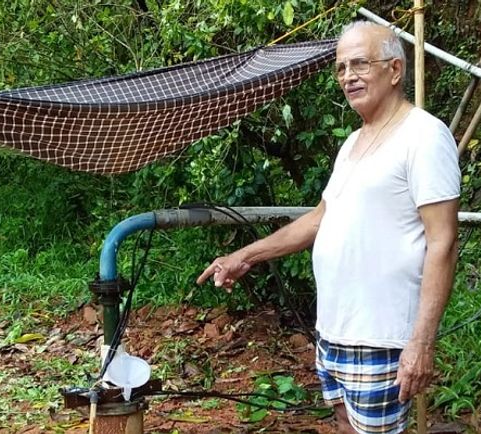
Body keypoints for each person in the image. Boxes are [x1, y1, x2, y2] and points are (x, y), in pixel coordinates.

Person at [197, 21, 460, 434]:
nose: (348, 77)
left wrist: (422, 342)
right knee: (342, 425)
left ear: (395, 70)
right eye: (340, 68)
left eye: (360, 64)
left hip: (382, 336)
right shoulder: (353, 143)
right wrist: (244, 256)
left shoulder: (424, 135)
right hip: (334, 332)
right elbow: (320, 219)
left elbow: (442, 241)